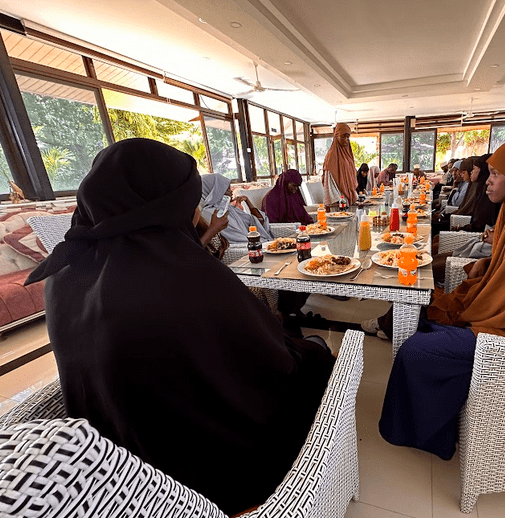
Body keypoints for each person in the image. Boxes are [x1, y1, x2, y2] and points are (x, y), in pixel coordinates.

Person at [25, 138, 335, 516]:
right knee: (317, 358)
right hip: (200, 473)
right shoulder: (185, 275)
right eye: (190, 199)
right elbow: (271, 367)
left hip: (114, 469)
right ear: (166, 204)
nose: (195, 209)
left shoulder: (61, 276)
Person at [371, 137, 505, 460]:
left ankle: (421, 434)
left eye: (497, 174)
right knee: (429, 309)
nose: (488, 180)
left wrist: (473, 310)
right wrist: (488, 264)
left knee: (418, 349)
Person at [200, 173, 272, 243]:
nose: (231, 192)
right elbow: (238, 239)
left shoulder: (229, 208)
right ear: (215, 192)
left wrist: (247, 201)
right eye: (227, 190)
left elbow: (259, 222)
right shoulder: (211, 214)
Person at [322, 122, 358, 206]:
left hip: (349, 199)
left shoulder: (348, 154)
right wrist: (339, 200)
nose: (346, 139)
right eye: (343, 136)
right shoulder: (332, 155)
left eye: (348, 137)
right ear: (336, 136)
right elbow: (329, 180)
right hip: (338, 200)